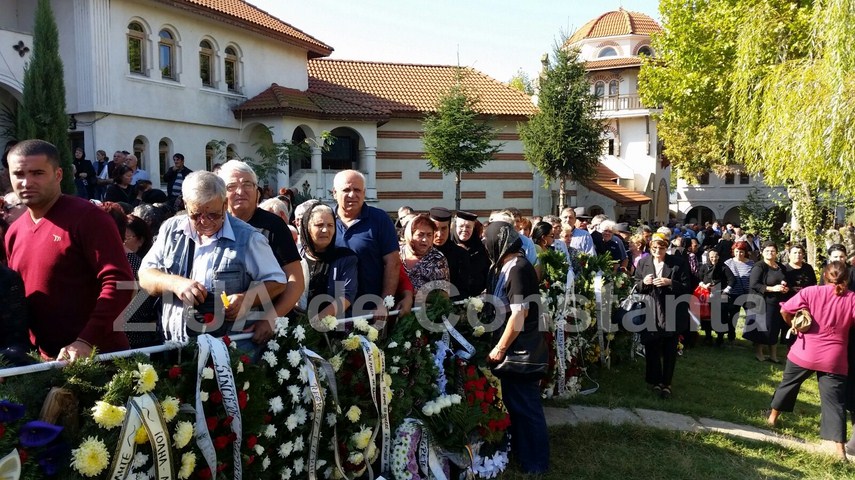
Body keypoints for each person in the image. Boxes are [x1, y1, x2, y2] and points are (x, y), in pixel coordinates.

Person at [5, 139, 134, 360]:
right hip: (41, 367)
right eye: (19, 174)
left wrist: (86, 340)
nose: (27, 182)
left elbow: (121, 283)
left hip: (99, 362)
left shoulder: (89, 218)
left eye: (37, 173)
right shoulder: (13, 232)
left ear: (58, 175)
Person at [138, 171, 287, 350]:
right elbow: (145, 274)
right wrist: (175, 283)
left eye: (214, 215)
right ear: (185, 205)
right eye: (196, 215)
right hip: (174, 346)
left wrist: (246, 299)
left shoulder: (249, 238)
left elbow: (278, 282)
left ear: (225, 205)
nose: (205, 221)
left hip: (229, 352)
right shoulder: (171, 229)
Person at [767, 262, 855, 460]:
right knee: (835, 404)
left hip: (804, 351)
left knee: (788, 385)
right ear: (846, 278)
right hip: (835, 357)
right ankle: (840, 450)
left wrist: (794, 325)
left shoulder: (810, 292)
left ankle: (772, 419)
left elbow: (785, 310)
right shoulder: (852, 298)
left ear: (825, 275)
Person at [484, 220, 549, 474]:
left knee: (527, 408)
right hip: (517, 350)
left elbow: (518, 314)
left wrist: (499, 348)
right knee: (519, 407)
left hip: (522, 351)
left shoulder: (519, 268)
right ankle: (525, 456)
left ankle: (536, 463)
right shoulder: (508, 265)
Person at [217, 160, 303, 341]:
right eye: (231, 186)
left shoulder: (273, 226)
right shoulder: (213, 224)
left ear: (257, 191)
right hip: (219, 328)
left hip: (266, 329)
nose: (240, 191)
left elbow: (295, 280)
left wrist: (271, 318)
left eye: (247, 184)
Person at [333, 170, 400, 319]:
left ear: (364, 193)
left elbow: (393, 263)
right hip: (332, 311)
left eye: (357, 190)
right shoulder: (326, 221)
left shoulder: (380, 219)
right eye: (346, 190)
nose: (352, 195)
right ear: (334, 193)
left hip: (370, 311)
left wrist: (384, 302)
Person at [634, 233, 693, 399]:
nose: (658, 250)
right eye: (654, 247)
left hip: (671, 310)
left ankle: (666, 383)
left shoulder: (678, 263)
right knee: (651, 345)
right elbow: (636, 284)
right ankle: (655, 381)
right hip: (650, 309)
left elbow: (687, 287)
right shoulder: (644, 262)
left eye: (661, 247)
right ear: (650, 247)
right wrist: (643, 282)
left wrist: (669, 283)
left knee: (669, 348)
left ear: (667, 247)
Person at [297, 203, 358, 326]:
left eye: (330, 225)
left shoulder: (345, 257)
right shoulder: (295, 256)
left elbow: (345, 297)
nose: (325, 230)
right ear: (307, 228)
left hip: (333, 328)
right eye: (319, 225)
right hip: (296, 328)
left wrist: (313, 324)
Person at [745, 241, 789, 363]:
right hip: (761, 301)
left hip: (776, 302)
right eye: (767, 251)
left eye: (773, 251)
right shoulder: (759, 266)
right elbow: (754, 284)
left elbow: (784, 280)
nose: (770, 253)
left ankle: (773, 355)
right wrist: (772, 288)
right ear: (762, 252)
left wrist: (785, 288)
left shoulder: (781, 267)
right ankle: (759, 353)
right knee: (762, 328)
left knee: (774, 328)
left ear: (776, 253)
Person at [400, 214, 449, 293]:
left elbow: (443, 293)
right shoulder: (397, 253)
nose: (424, 239)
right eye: (420, 235)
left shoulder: (437, 258)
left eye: (429, 235)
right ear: (410, 235)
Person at [429, 207, 470, 299]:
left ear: (449, 228)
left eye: (444, 228)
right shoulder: (422, 252)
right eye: (435, 229)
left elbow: (463, 290)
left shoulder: (461, 255)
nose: (439, 234)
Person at [722, 241, 754, 346]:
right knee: (733, 317)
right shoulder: (728, 263)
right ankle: (731, 337)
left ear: (745, 252)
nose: (739, 254)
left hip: (747, 294)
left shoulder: (751, 264)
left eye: (741, 252)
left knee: (751, 316)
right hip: (733, 294)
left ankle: (752, 337)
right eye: (736, 251)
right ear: (733, 251)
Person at [697, 249, 731, 345]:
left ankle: (720, 338)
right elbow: (698, 278)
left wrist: (726, 290)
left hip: (721, 294)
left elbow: (732, 280)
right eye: (711, 257)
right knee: (707, 316)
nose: (714, 258)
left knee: (721, 316)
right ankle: (708, 336)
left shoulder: (724, 267)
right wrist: (703, 285)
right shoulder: (704, 267)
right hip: (707, 293)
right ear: (708, 257)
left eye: (715, 256)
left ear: (718, 256)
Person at [452, 210, 489, 296]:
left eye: (468, 227)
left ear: (473, 228)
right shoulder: (449, 246)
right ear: (455, 226)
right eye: (461, 226)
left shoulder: (480, 249)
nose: (464, 230)